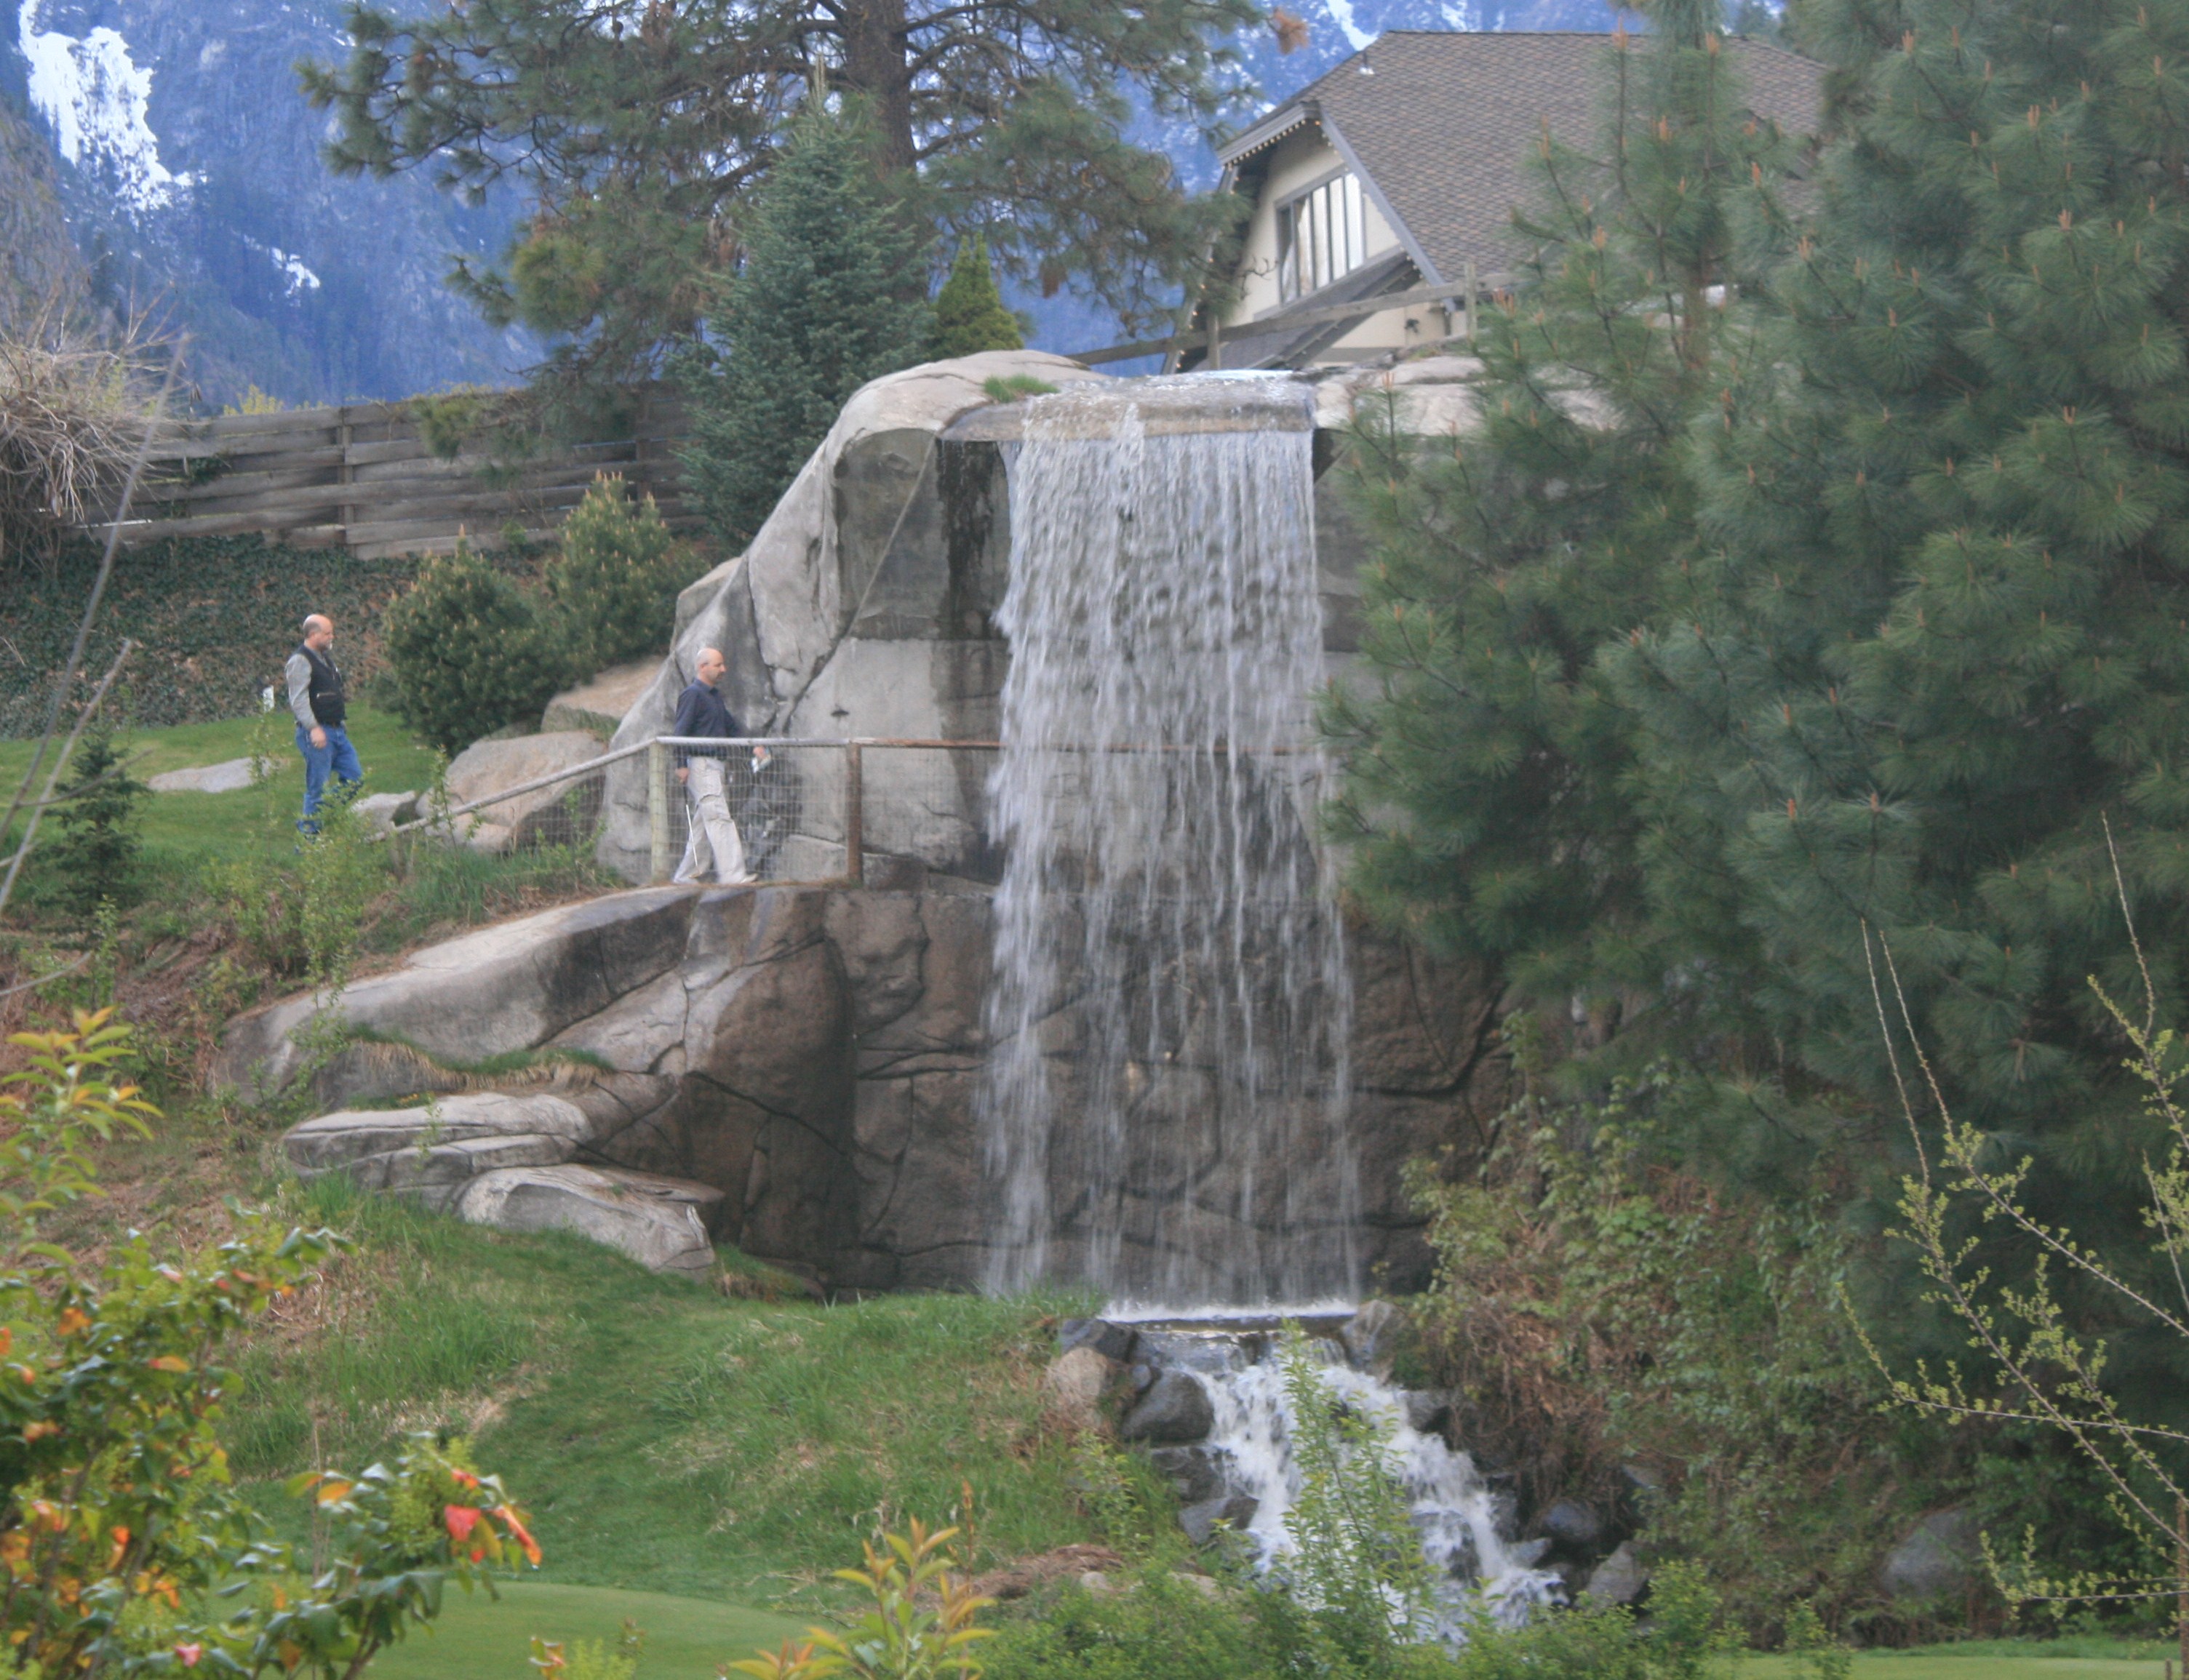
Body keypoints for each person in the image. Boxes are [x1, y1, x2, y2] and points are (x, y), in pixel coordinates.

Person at [671, 646, 762, 885]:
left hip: (715, 766)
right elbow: (680, 732)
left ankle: (685, 875)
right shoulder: (692, 695)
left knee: (704, 822)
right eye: (718, 665)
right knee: (719, 819)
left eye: (723, 664)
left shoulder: (714, 696)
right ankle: (733, 876)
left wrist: (752, 747)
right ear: (703, 667)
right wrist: (681, 764)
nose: (724, 669)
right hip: (701, 765)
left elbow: (731, 728)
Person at [287, 613, 361, 834]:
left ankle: (318, 818)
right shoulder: (300, 661)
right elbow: (298, 700)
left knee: (355, 779)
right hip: (317, 734)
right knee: (317, 789)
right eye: (327, 633)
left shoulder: (325, 658)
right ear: (313, 634)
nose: (332, 637)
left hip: (338, 731)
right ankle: (308, 842)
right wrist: (314, 728)